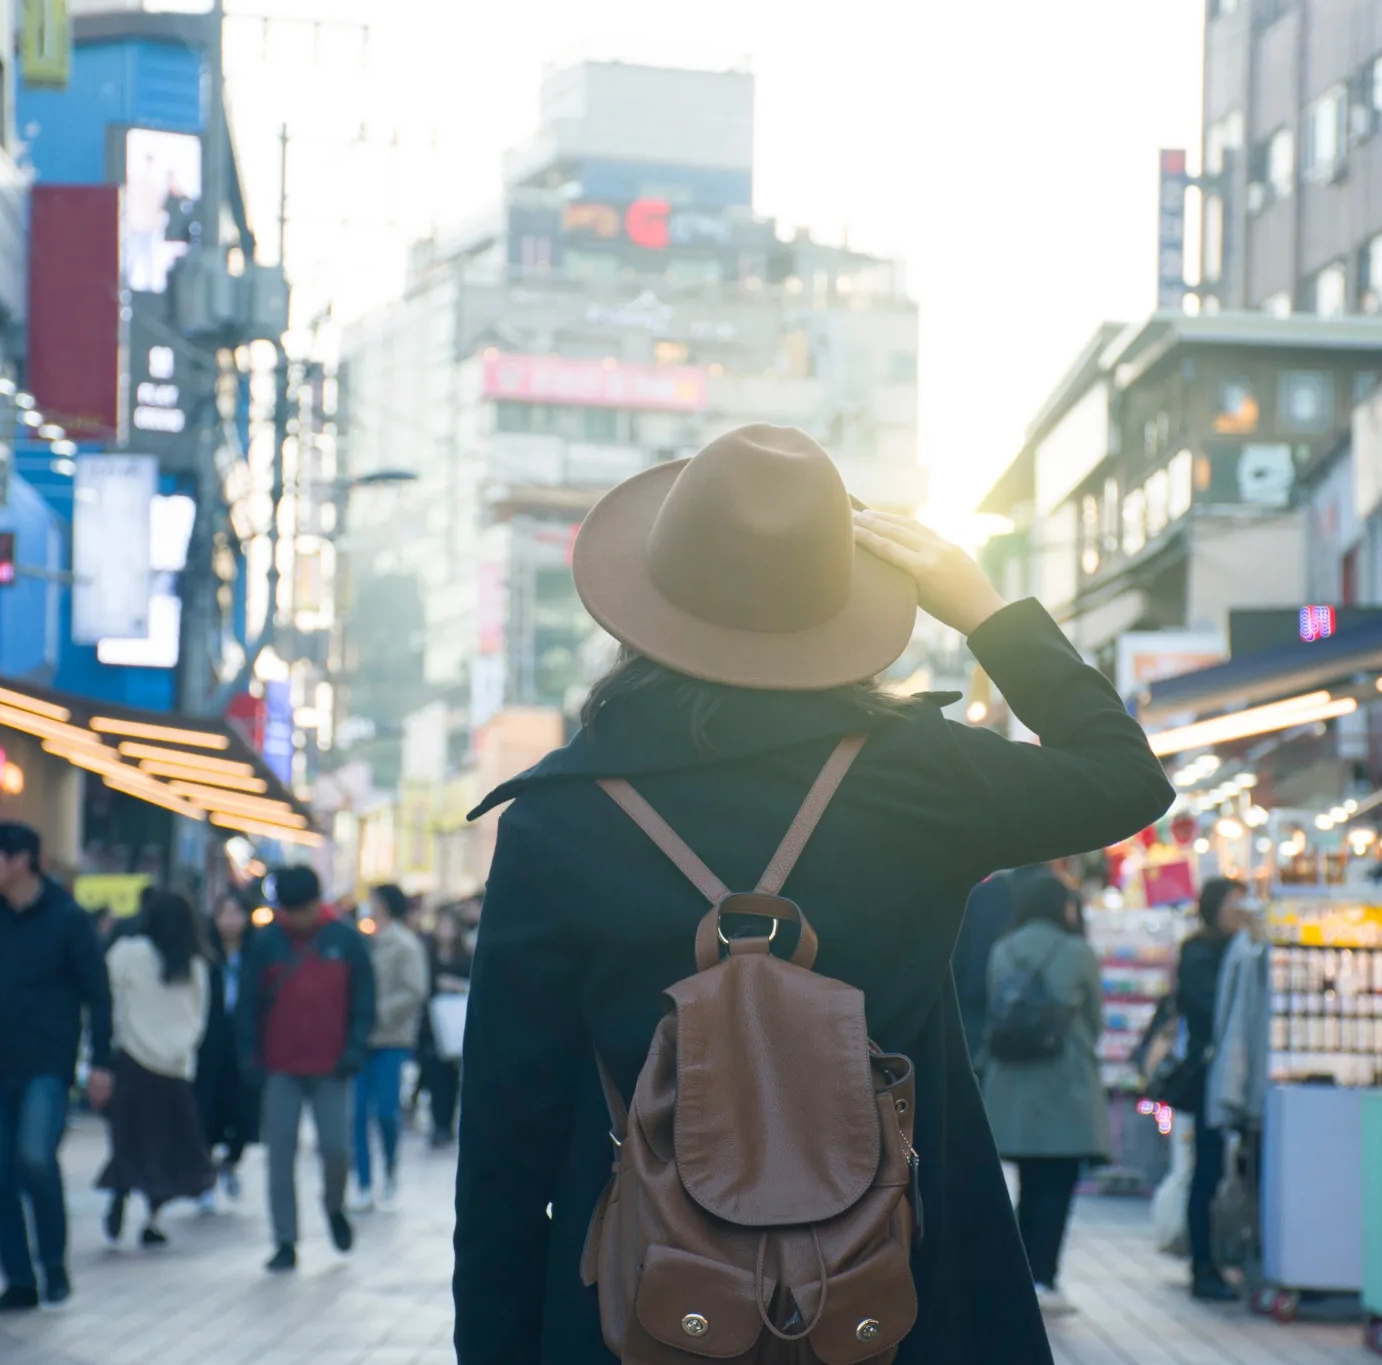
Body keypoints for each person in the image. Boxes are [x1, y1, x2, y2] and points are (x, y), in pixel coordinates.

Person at [450, 426, 1174, 1363]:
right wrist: (988, 611)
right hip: (893, 1301)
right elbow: (1124, 776)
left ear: (649, 604)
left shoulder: (560, 817)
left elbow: (505, 1141)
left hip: (638, 1310)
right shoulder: (922, 778)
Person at [0, 823, 114, 1315]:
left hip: (46, 1062)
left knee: (36, 1159)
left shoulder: (67, 919)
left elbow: (97, 994)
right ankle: (19, 1281)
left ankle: (54, 1266)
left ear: (20, 860)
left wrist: (102, 1062)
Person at [980, 874, 1110, 1317]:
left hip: (1011, 1083)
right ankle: (1043, 1277)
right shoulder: (1077, 951)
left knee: (1026, 1183)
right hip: (1063, 1084)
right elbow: (1094, 1018)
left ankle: (1015, 1274)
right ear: (1062, 906)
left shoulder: (1003, 948)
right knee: (1056, 1184)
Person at [238, 866, 375, 1273]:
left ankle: (334, 1207)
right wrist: (249, 1056)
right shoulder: (267, 943)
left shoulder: (346, 940)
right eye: (290, 911)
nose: (297, 919)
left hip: (332, 1067)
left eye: (303, 910)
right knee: (279, 1155)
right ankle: (285, 1240)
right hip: (280, 1067)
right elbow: (248, 1003)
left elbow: (365, 1000)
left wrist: (354, 1049)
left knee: (337, 1150)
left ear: (319, 903)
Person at [98, 887, 215, 1247]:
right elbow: (200, 1016)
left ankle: (120, 1189)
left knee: (128, 1136)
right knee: (166, 1143)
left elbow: (110, 1001)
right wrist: (182, 1047)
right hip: (175, 1067)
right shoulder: (194, 964)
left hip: (132, 1060)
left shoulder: (127, 954)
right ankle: (153, 1216)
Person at [1177, 876, 1250, 1303]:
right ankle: (1203, 1265)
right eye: (1234, 903)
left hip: (1240, 1074)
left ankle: (1230, 1256)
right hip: (1210, 1074)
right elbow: (1206, 1008)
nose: (1242, 912)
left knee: (1230, 1168)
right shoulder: (1200, 952)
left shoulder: (1248, 949)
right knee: (1207, 1169)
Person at [954, 859, 1077, 1073]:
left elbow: (958, 958)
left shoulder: (982, 893)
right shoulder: (1057, 893)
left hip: (977, 1013)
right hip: (1043, 1026)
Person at [352, 884, 426, 1211]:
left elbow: (414, 990)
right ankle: (364, 1184)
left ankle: (391, 1168)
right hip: (359, 1040)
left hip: (391, 1040)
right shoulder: (361, 941)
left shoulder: (404, 944)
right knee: (355, 1114)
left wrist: (380, 1011)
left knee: (385, 1111)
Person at [195, 890, 259, 1209]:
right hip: (209, 1043)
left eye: (237, 912)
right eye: (225, 912)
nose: (231, 920)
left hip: (246, 1044)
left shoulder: (257, 952)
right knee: (206, 1109)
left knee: (245, 1111)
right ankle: (205, 1177)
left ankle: (231, 1161)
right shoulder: (204, 953)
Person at [416, 901, 476, 1147]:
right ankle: (438, 1124)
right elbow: (421, 983)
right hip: (431, 1023)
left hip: (455, 1020)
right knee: (434, 1074)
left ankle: (447, 1124)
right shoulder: (426, 953)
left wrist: (455, 985)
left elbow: (473, 983)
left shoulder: (466, 954)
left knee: (452, 1076)